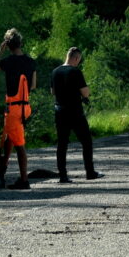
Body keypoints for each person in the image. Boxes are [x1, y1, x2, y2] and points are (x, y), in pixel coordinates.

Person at [0, 28, 36, 190]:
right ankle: (1, 169)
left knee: (19, 143)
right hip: (25, 107)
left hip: (13, 109)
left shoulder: (8, 61)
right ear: (21, 43)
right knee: (9, 139)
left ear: (7, 45)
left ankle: (24, 180)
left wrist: (0, 52)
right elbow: (33, 85)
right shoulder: (31, 62)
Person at [50, 47, 103, 183]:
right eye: (79, 60)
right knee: (86, 141)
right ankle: (90, 172)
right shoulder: (75, 71)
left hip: (60, 111)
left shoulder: (55, 72)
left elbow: (53, 92)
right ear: (76, 58)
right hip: (74, 111)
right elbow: (85, 92)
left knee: (62, 144)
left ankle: (63, 175)